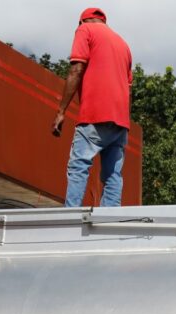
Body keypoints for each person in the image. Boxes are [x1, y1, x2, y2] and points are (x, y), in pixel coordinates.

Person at [50, 8, 132, 207]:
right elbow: (128, 88)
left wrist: (61, 112)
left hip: (95, 115)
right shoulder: (123, 44)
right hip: (121, 121)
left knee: (79, 165)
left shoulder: (85, 30)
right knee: (113, 175)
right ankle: (110, 218)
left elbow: (76, 69)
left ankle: (71, 215)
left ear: (82, 22)